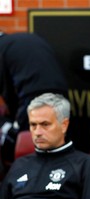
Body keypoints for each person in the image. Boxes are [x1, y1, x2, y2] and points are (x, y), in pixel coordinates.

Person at [0, 93, 90, 199]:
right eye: (33, 125)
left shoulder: (85, 164)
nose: (38, 132)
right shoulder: (19, 165)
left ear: (64, 125)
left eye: (45, 124)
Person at [0, 32, 68, 163]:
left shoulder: (3, 48)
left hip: (32, 95)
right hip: (60, 93)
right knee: (57, 139)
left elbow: (6, 87)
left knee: (26, 141)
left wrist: (14, 116)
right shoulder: (24, 39)